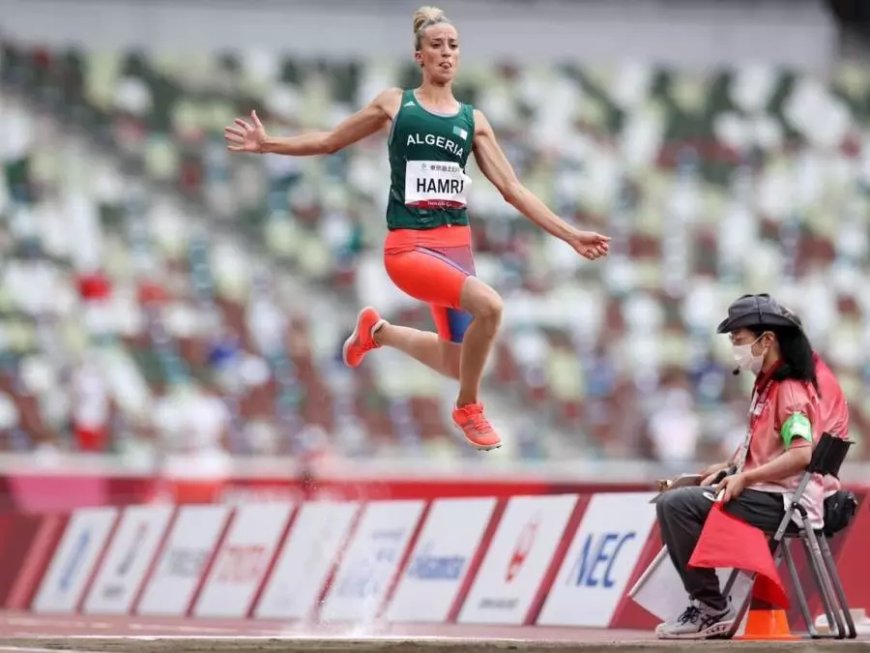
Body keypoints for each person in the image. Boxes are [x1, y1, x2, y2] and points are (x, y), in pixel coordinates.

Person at [224, 6, 610, 451]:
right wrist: (268, 143)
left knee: (454, 361)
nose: (446, 53)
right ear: (419, 56)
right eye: (436, 46)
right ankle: (469, 407)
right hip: (409, 250)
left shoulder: (473, 120)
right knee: (492, 307)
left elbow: (513, 190)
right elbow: (331, 141)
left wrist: (571, 234)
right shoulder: (396, 103)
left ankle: (377, 332)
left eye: (453, 46)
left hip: (456, 250)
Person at [655, 294, 822, 639]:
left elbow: (801, 454)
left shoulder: (789, 391)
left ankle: (711, 607)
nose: (733, 346)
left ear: (767, 340)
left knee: (677, 505)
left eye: (738, 339)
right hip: (765, 494)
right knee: (682, 493)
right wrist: (730, 468)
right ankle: (708, 604)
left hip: (784, 504)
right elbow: (761, 449)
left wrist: (745, 477)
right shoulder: (766, 386)